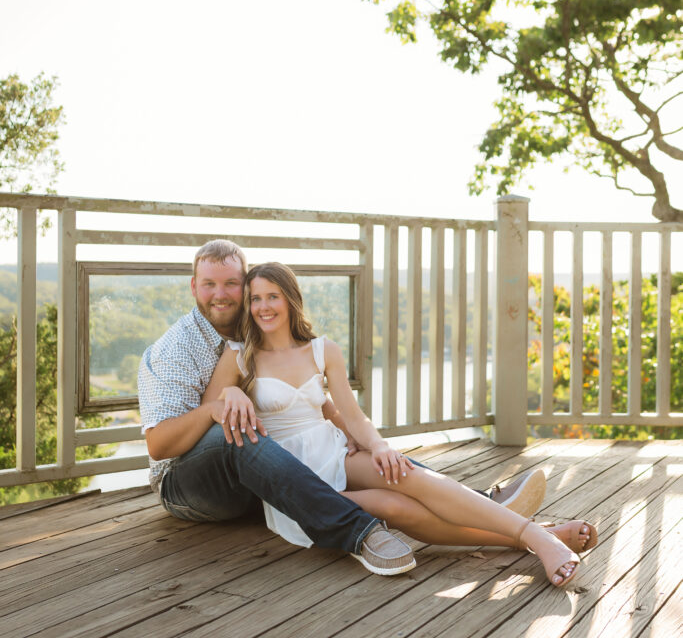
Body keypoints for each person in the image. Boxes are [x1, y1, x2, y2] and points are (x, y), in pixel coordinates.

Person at [138, 240, 548, 577]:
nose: (222, 295)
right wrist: (222, 402)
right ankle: (361, 533)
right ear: (193, 287)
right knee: (240, 431)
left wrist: (352, 431)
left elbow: (309, 395)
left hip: (265, 472)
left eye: (232, 284)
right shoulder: (178, 349)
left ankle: (492, 510)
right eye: (210, 285)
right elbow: (159, 446)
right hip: (190, 484)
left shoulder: (261, 339)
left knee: (381, 460)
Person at [204, 262, 598, 587]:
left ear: (290, 300)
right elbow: (210, 410)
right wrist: (231, 394)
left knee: (410, 475)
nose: (263, 306)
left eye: (272, 296)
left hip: (334, 451)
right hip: (290, 475)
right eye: (255, 298)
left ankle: (535, 538)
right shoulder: (241, 355)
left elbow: (350, 413)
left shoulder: (323, 350)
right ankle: (533, 536)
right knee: (397, 507)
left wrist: (378, 446)